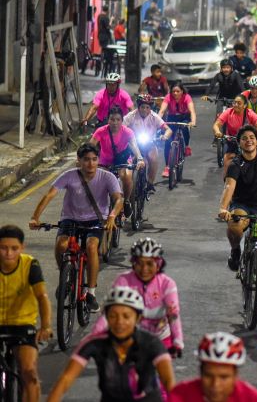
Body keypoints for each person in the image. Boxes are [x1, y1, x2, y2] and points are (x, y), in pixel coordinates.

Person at [30, 143, 123, 312]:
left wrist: (111, 216)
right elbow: (49, 195)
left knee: (91, 246)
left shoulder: (107, 177)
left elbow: (118, 199)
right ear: (79, 160)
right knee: (61, 245)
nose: (91, 164)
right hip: (70, 218)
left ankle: (91, 293)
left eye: (94, 160)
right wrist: (35, 217)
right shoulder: (69, 176)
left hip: (96, 219)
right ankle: (65, 277)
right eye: (86, 160)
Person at [47, 287, 175, 402]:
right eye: (113, 316)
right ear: (106, 317)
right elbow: (65, 379)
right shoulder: (93, 343)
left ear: (137, 318)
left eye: (126, 316)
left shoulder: (151, 342)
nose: (120, 322)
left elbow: (169, 382)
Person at [218, 81, 257, 307]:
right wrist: (224, 208)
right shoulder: (235, 163)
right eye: (244, 139)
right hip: (242, 205)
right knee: (235, 227)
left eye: (252, 138)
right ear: (240, 143)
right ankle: (236, 251)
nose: (249, 141)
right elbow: (229, 187)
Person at [92, 238, 184, 358]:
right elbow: (109, 312)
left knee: (163, 374)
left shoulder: (167, 284)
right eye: (139, 263)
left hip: (160, 338)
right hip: (130, 338)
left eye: (149, 264)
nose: (144, 269)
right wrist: (95, 336)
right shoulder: (123, 280)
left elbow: (173, 314)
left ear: (159, 264)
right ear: (133, 263)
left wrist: (178, 342)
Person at [0, 225, 52, 402]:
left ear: (22, 248)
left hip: (22, 324)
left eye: (14, 248)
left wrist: (45, 326)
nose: (8, 253)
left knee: (30, 374)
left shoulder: (30, 265)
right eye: (3, 248)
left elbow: (42, 297)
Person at [168, 332, 257, 402]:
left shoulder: (253, 399)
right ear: (200, 372)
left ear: (235, 375)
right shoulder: (180, 395)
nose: (215, 385)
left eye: (224, 377)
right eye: (208, 376)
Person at [89, 106, 145, 215]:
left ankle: (127, 201)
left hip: (123, 159)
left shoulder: (128, 132)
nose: (115, 123)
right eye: (112, 119)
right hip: (105, 161)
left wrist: (139, 158)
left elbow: (134, 146)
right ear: (108, 120)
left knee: (127, 177)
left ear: (122, 120)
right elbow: (90, 147)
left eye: (118, 120)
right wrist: (84, 160)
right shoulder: (100, 131)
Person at [124, 94, 172, 191]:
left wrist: (165, 136)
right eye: (142, 107)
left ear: (150, 108)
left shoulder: (154, 116)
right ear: (138, 107)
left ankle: (150, 183)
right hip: (134, 144)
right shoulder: (131, 116)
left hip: (150, 143)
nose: (144, 110)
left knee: (153, 159)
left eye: (147, 107)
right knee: (127, 163)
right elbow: (121, 128)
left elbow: (168, 130)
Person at [212, 94, 257, 176]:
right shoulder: (228, 112)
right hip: (232, 141)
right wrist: (217, 132)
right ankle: (227, 181)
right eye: (234, 103)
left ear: (244, 105)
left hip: (246, 141)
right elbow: (216, 124)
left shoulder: (249, 113)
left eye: (239, 103)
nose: (236, 105)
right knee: (227, 158)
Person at [158, 82, 197, 177]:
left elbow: (192, 111)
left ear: (182, 91)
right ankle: (167, 166)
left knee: (185, 128)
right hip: (172, 117)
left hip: (184, 117)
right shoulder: (168, 97)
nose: (175, 93)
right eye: (173, 91)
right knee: (168, 141)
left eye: (178, 91)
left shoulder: (187, 97)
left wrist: (193, 122)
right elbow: (162, 111)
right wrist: (157, 121)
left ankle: (186, 146)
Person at [97, 5, 114, 73]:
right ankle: (105, 65)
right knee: (107, 53)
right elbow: (108, 27)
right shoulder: (105, 17)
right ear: (107, 10)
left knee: (102, 50)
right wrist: (111, 20)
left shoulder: (99, 16)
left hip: (100, 35)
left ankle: (100, 65)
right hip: (105, 37)